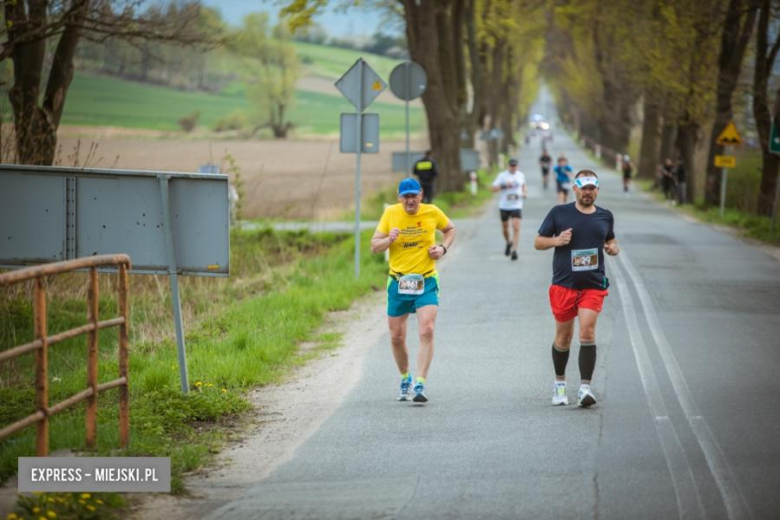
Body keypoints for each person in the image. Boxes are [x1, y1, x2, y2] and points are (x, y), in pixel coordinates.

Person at [534, 170, 619, 407]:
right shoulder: (559, 213)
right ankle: (560, 383)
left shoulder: (605, 216)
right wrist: (556, 240)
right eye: (584, 188)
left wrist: (613, 248)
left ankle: (584, 388)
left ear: (597, 190)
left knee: (587, 333)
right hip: (564, 284)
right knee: (564, 337)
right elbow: (538, 242)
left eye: (592, 188)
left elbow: (611, 239)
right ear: (575, 189)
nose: (588, 192)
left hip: (593, 285)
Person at [371, 178, 456, 403]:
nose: (410, 200)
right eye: (405, 196)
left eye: (413, 195)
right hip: (399, 282)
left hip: (425, 280)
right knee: (397, 337)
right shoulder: (390, 214)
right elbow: (374, 246)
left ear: (421, 195)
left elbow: (450, 229)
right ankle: (405, 377)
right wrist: (388, 240)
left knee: (426, 329)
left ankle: (420, 383)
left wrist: (442, 248)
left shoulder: (432, 212)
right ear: (400, 198)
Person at [491, 157, 528, 261]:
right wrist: (504, 186)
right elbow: (493, 189)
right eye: (511, 165)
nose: (513, 167)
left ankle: (515, 251)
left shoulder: (520, 175)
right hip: (504, 206)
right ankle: (508, 242)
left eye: (515, 165)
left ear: (517, 166)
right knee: (505, 229)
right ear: (508, 166)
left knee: (516, 228)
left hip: (517, 205)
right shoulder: (502, 176)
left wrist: (525, 192)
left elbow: (524, 185)